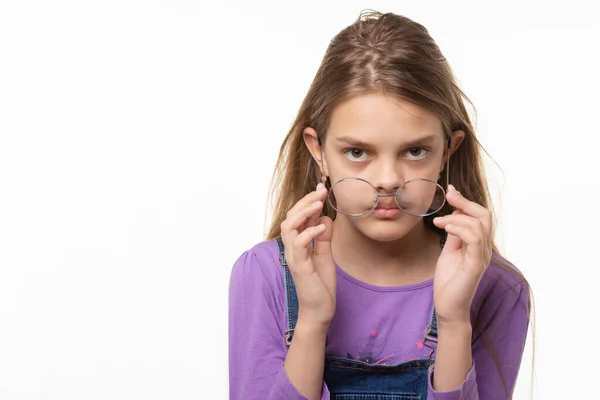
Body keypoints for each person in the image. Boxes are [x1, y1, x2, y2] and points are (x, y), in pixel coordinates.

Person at [228, 10, 531, 400]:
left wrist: (455, 323)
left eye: (415, 150)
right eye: (357, 152)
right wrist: (311, 323)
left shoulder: (497, 287)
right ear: (318, 150)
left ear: (447, 152)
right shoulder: (264, 275)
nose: (388, 179)